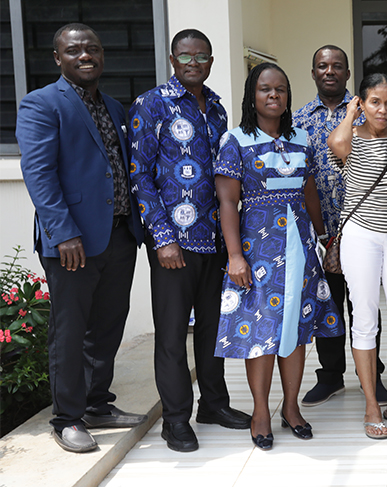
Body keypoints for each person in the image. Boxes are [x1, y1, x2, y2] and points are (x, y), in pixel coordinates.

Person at [17, 23, 147, 453]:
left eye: (93, 48)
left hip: (119, 235)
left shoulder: (112, 105)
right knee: (70, 331)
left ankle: (97, 404)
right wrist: (63, 232)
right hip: (72, 241)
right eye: (74, 50)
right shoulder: (40, 104)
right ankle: (67, 418)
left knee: (107, 327)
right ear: (58, 58)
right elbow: (39, 175)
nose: (85, 55)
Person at [128, 29, 251, 452]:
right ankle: (176, 418)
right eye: (186, 55)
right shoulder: (152, 104)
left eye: (201, 56)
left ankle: (214, 404)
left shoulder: (216, 108)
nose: (193, 62)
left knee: (214, 330)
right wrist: (162, 237)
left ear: (212, 61)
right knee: (173, 333)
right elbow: (139, 175)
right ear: (172, 58)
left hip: (215, 241)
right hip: (173, 245)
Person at [214, 62, 343, 450]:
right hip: (257, 251)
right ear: (252, 96)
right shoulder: (235, 141)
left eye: (281, 90)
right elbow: (227, 201)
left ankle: (291, 407)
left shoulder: (302, 139)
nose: (274, 95)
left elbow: (310, 194)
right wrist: (235, 256)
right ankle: (260, 411)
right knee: (261, 332)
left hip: (300, 249)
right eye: (266, 89)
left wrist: (325, 239)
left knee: (297, 330)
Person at [292, 45, 387, 407]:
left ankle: (372, 376)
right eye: (322, 66)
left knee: (364, 305)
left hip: (365, 227)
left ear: (348, 74)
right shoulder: (299, 120)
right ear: (313, 72)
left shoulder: (369, 110)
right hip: (320, 232)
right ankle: (331, 376)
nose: (329, 71)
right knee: (327, 303)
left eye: (337, 66)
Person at [326, 73, 387, 440]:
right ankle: (372, 404)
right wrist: (350, 115)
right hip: (360, 234)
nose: (383, 109)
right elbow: (336, 144)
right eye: (375, 101)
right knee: (364, 320)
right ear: (362, 102)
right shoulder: (353, 137)